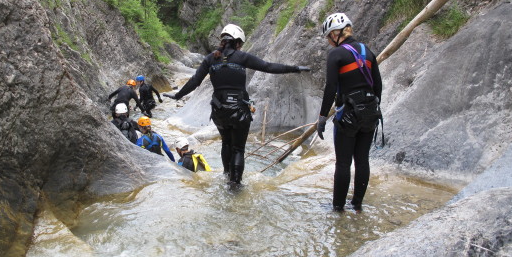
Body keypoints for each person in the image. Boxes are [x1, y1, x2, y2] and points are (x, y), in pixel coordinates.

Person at [163, 24, 310, 185]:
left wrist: (178, 95)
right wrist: (295, 68)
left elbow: (194, 81)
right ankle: (236, 184)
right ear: (237, 42)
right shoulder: (242, 57)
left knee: (226, 143)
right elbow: (268, 67)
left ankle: (227, 176)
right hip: (239, 110)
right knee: (238, 149)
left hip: (219, 111)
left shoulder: (210, 58)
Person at [316, 13, 382, 212]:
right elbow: (378, 86)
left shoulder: (336, 54)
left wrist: (321, 118)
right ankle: (357, 204)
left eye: (329, 37)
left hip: (348, 114)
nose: (329, 41)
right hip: (370, 113)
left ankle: (338, 208)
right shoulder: (367, 51)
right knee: (362, 160)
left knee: (343, 163)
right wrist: (371, 109)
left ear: (336, 34)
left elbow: (331, 87)